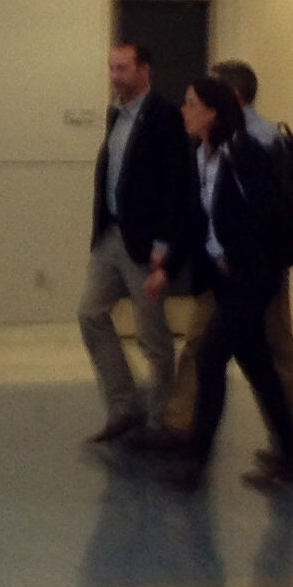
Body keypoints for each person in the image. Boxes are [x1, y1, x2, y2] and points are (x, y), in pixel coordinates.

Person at [158, 61, 293, 462]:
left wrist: (237, 256)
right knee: (246, 354)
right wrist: (171, 262)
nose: (188, 105)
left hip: (252, 273)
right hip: (228, 273)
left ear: (226, 100)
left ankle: (290, 439)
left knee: (247, 350)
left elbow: (262, 213)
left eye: (200, 96)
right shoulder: (207, 149)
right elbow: (199, 214)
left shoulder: (252, 143)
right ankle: (287, 444)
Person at [78, 43, 194, 444]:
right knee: (90, 313)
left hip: (145, 241)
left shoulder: (164, 117)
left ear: (145, 69)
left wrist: (165, 242)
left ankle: (164, 417)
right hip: (111, 234)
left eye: (123, 68)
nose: (116, 76)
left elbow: (176, 184)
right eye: (112, 68)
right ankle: (125, 405)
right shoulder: (116, 115)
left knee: (152, 335)